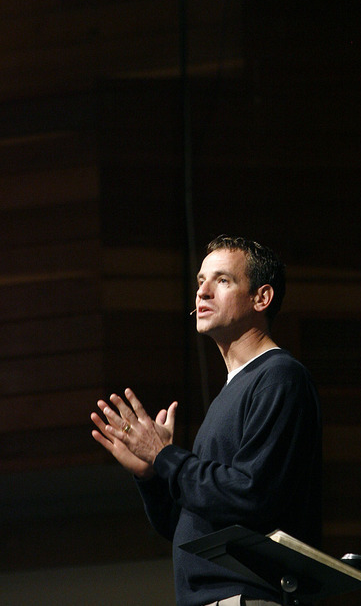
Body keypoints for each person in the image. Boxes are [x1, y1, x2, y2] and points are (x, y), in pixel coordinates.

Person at [91, 235, 322, 606]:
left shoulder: (279, 377)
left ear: (262, 298)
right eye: (201, 282)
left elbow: (253, 497)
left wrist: (166, 457)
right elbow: (191, 527)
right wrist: (151, 474)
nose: (203, 293)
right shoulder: (231, 392)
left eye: (223, 280)